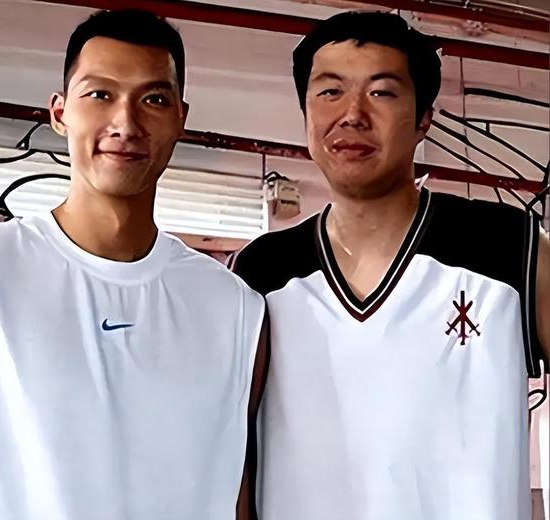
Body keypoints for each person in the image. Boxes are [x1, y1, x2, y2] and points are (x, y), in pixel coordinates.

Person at [0, 10, 265, 520]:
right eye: (100, 94)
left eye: (153, 99)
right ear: (60, 112)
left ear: (181, 117)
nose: (126, 123)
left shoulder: (235, 308)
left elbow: (234, 493)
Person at [232, 11, 549, 520]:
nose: (352, 114)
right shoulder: (260, 272)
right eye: (329, 92)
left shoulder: (508, 246)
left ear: (423, 119)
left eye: (381, 92)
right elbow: (231, 453)